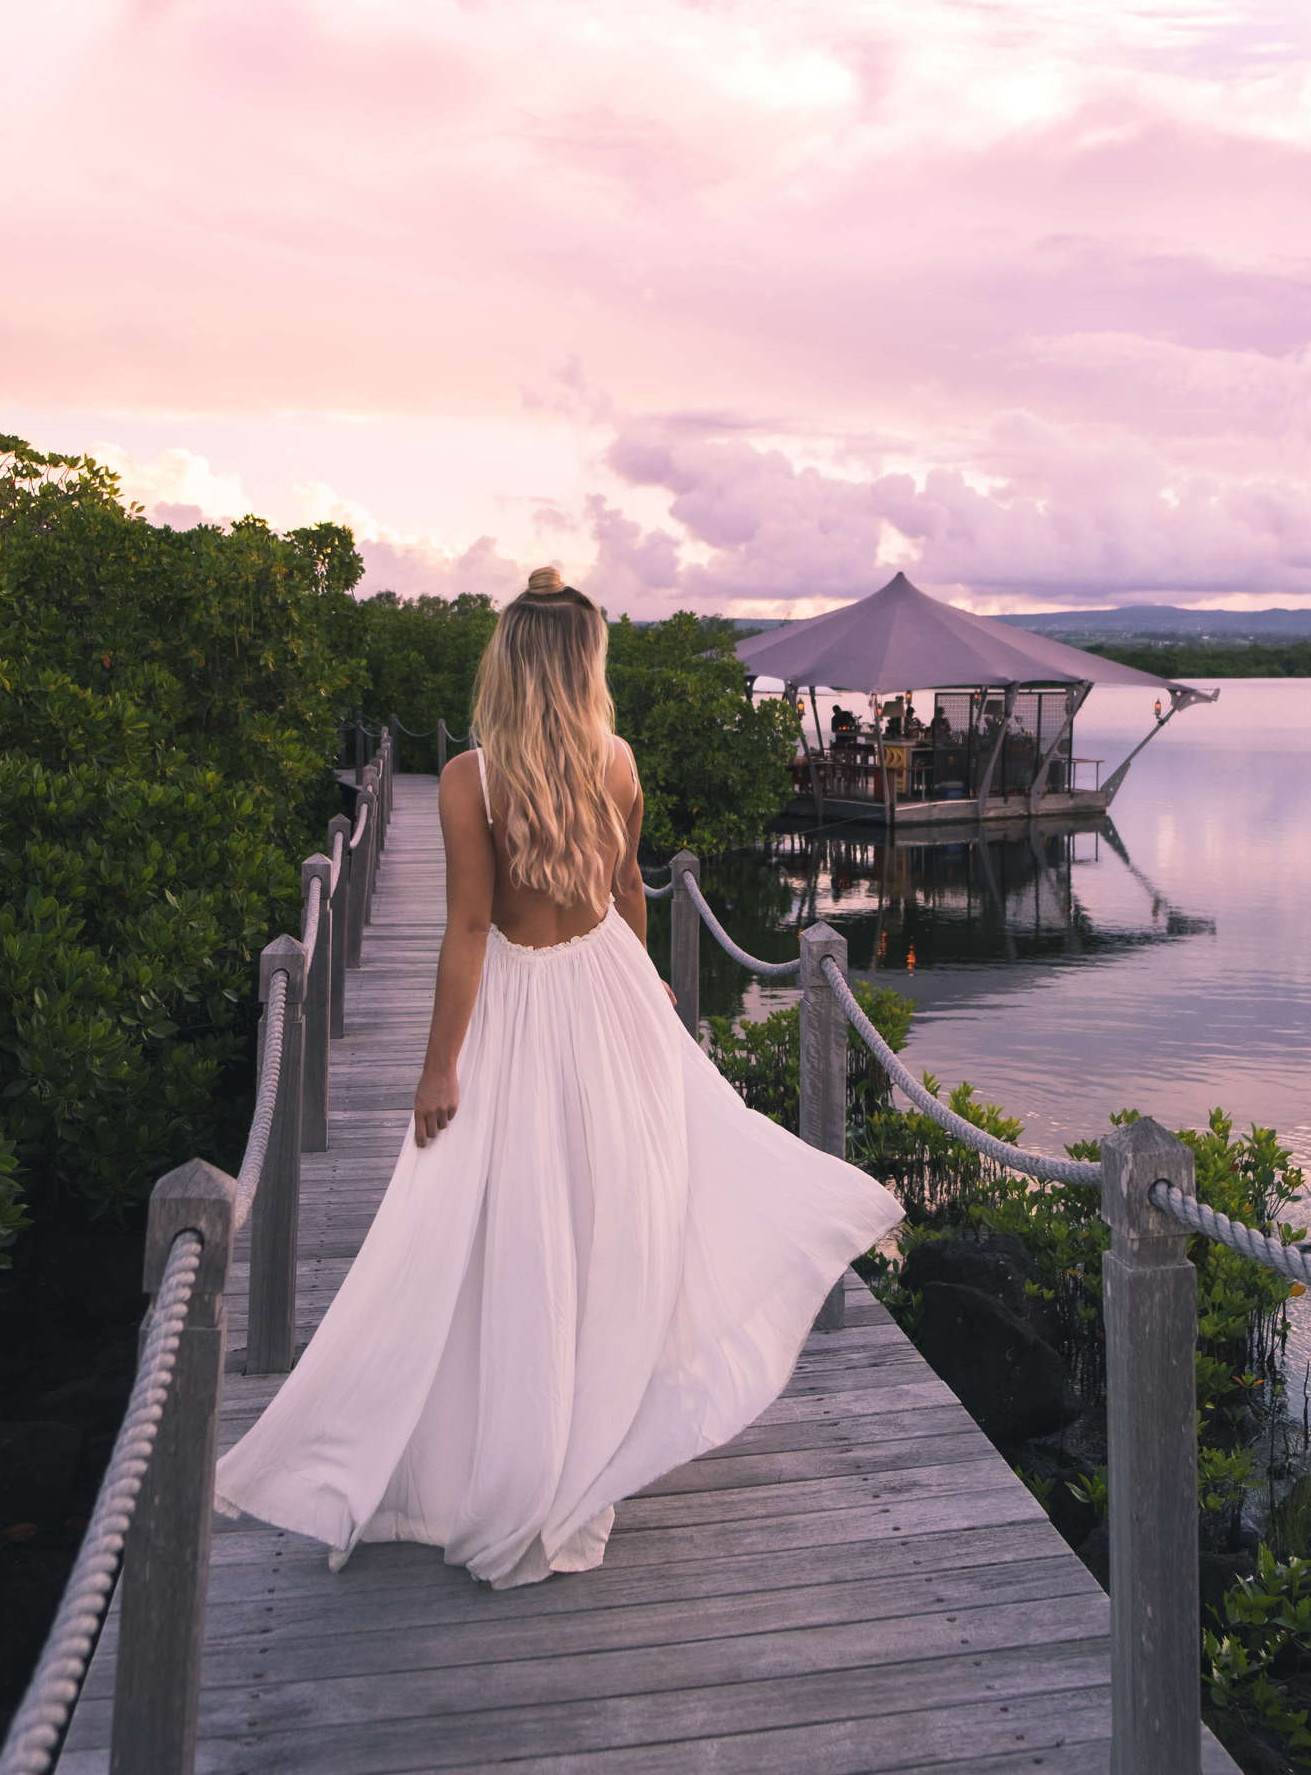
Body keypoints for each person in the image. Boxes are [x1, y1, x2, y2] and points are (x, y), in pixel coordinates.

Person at [214, 567, 901, 1588]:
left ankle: (550, 1428)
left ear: (506, 662)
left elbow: (469, 929)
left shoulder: (468, 776)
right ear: (581, 665)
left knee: (515, 1214)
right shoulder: (609, 760)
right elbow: (622, 891)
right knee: (603, 1206)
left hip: (539, 996)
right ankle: (569, 1421)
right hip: (598, 986)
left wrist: (441, 1062)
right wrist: (648, 991)